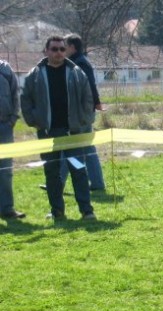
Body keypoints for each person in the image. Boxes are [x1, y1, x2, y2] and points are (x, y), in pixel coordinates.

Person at [21, 35, 96, 221]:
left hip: (73, 133)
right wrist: (34, 121)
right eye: (54, 49)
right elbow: (25, 99)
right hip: (48, 134)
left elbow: (88, 98)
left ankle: (87, 211)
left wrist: (84, 120)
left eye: (62, 49)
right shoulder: (35, 75)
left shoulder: (77, 72)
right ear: (46, 51)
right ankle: (57, 211)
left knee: (79, 170)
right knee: (52, 174)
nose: (59, 53)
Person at [58, 34, 106, 192]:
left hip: (82, 115)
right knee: (75, 148)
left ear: (72, 47)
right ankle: (60, 182)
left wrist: (96, 104)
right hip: (77, 114)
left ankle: (60, 183)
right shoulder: (74, 63)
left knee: (76, 148)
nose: (62, 50)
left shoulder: (80, 64)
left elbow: (91, 87)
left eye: (65, 46)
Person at [0, 59, 26, 220]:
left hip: (4, 127)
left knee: (5, 171)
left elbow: (16, 95)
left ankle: (7, 208)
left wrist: (12, 120)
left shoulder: (5, 69)